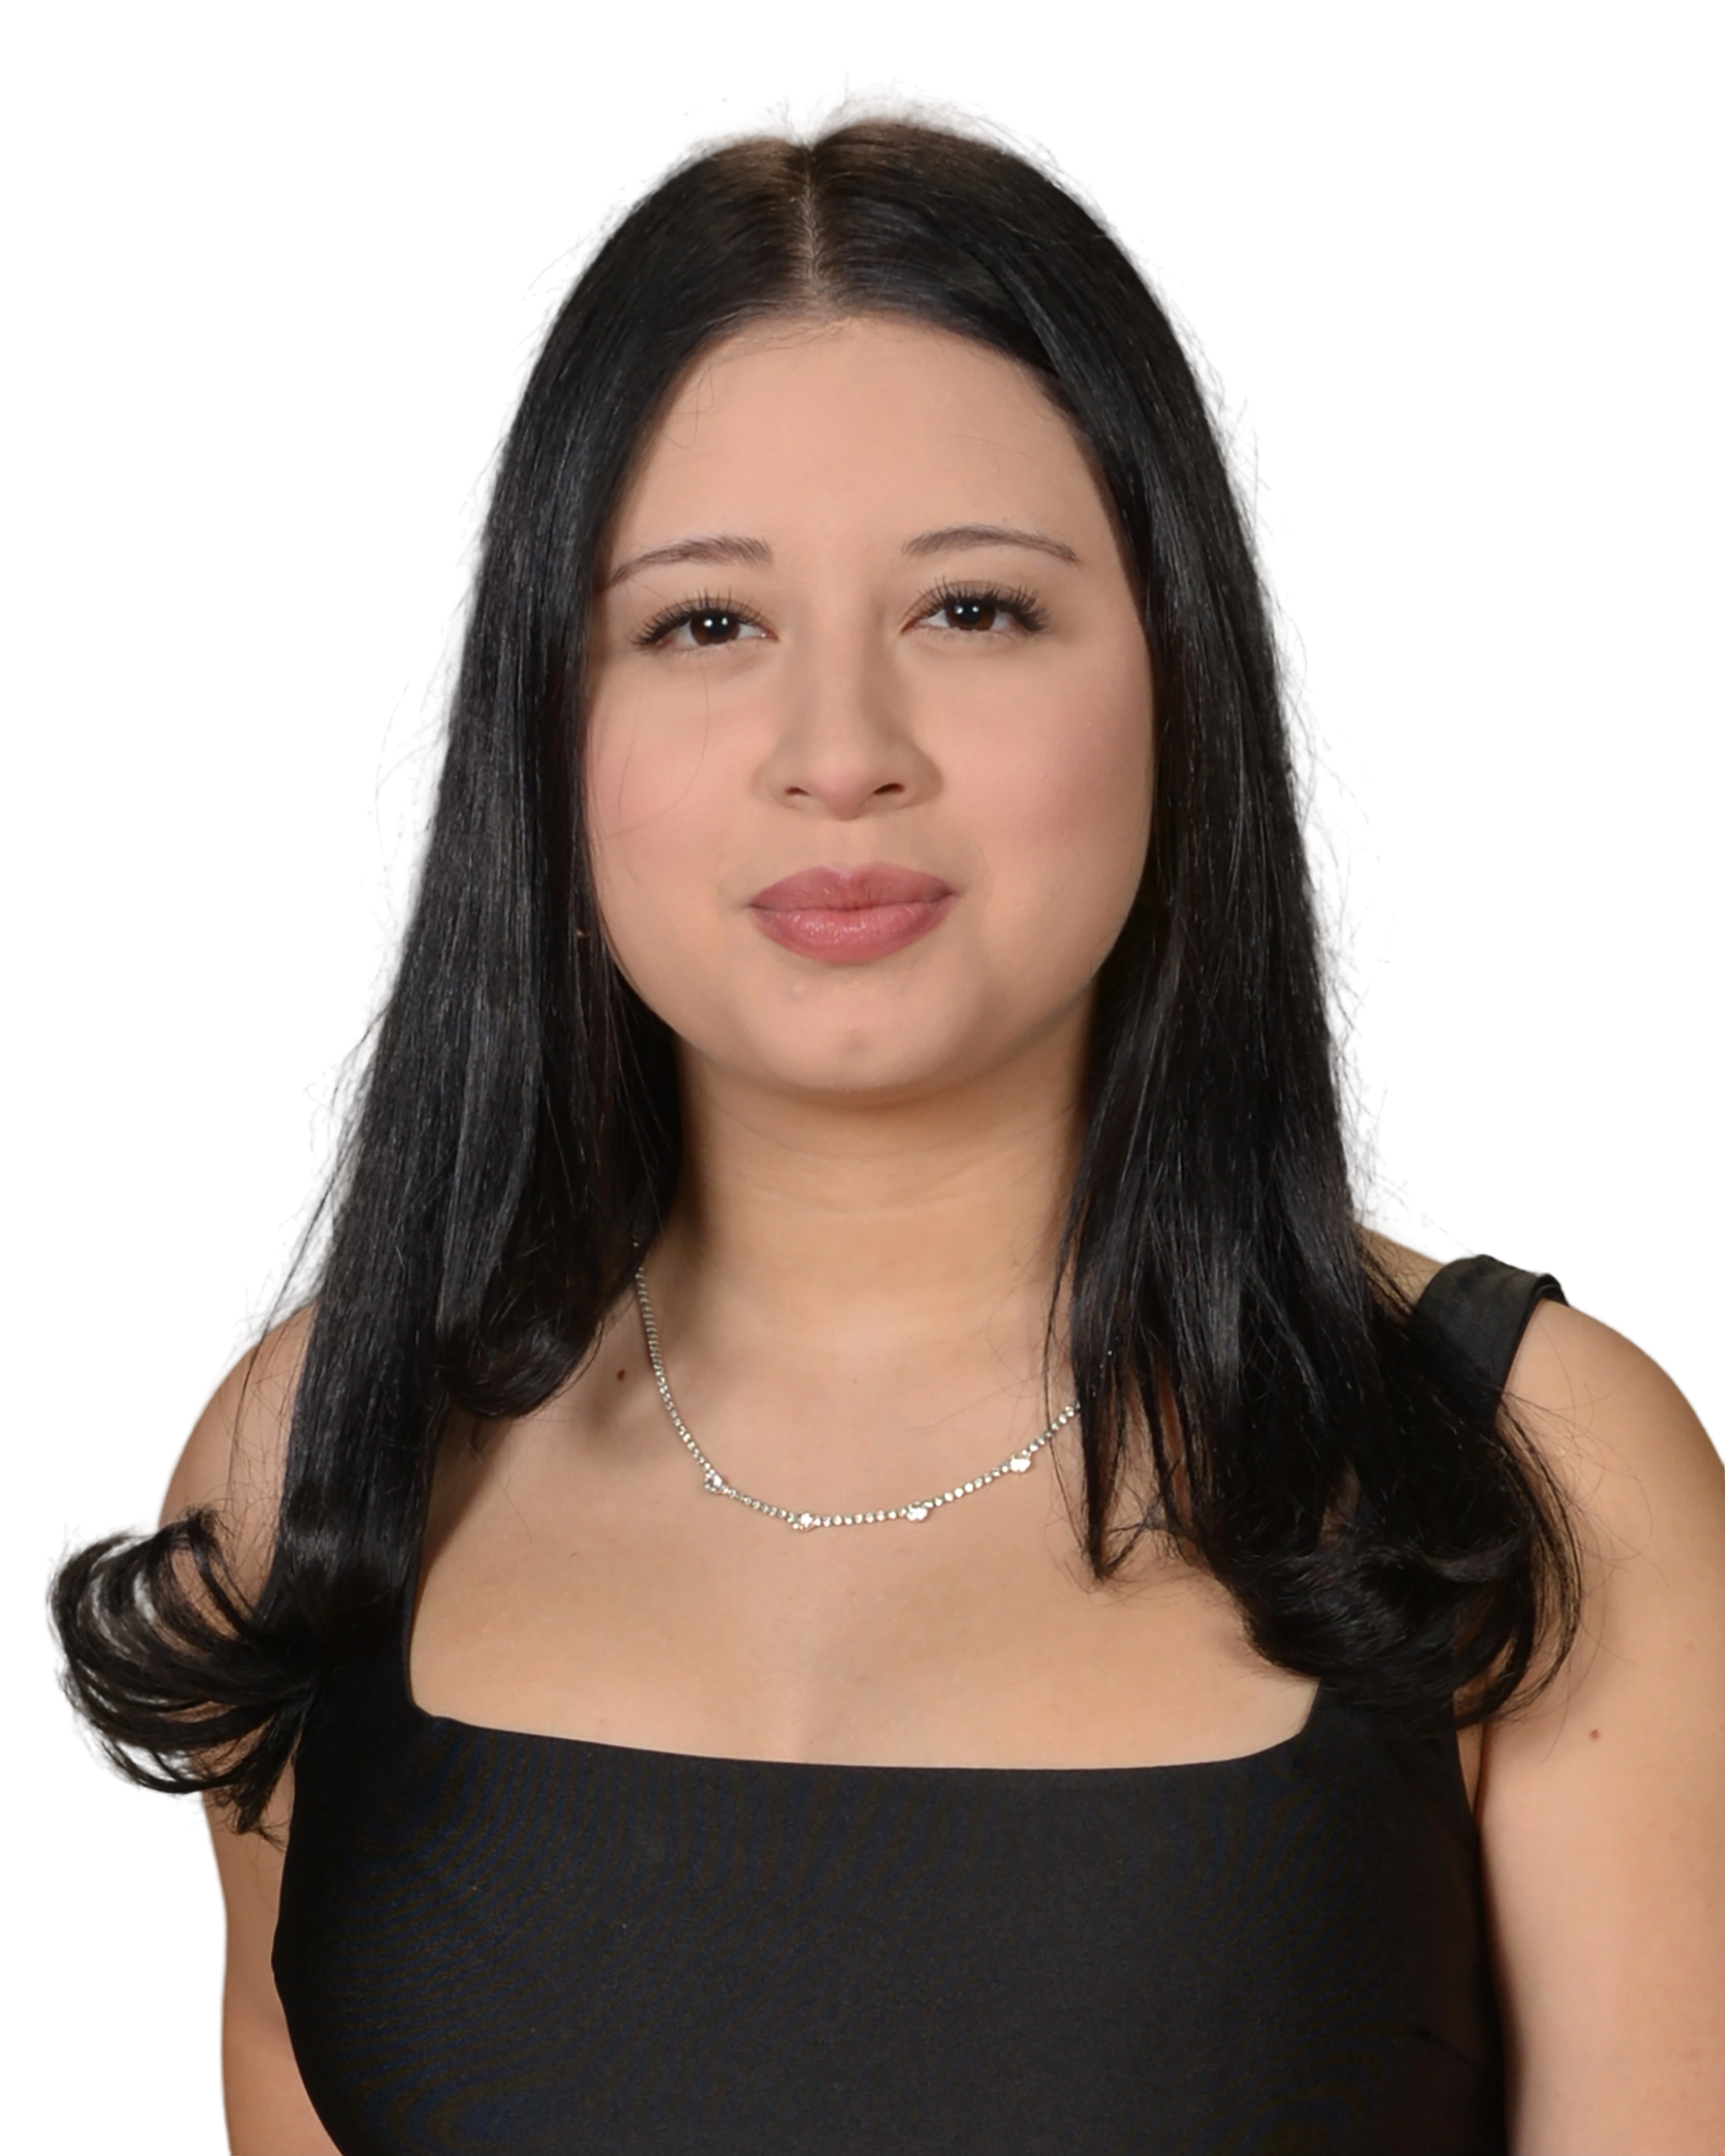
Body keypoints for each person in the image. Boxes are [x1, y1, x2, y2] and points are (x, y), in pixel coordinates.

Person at [40, 77, 1722, 2156]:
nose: (840, 751)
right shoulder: (315, 1464)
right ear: (546, 725)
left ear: (1182, 676)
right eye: (705, 623)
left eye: (974, 608)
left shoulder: (1535, 1479)